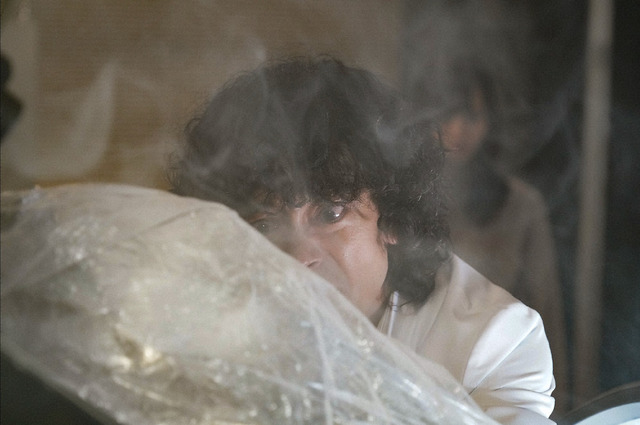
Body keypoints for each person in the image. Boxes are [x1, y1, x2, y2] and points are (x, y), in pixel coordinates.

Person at [169, 56, 556, 424]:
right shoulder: (204, 321)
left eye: (330, 214)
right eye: (263, 226)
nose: (297, 257)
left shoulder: (491, 343)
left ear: (393, 220)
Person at [430, 62, 569, 415]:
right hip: (423, 373)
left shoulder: (522, 206)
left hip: (501, 379)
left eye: (471, 116)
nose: (457, 129)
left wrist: (559, 405)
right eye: (446, 114)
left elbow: (546, 309)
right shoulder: (405, 200)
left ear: (489, 122)